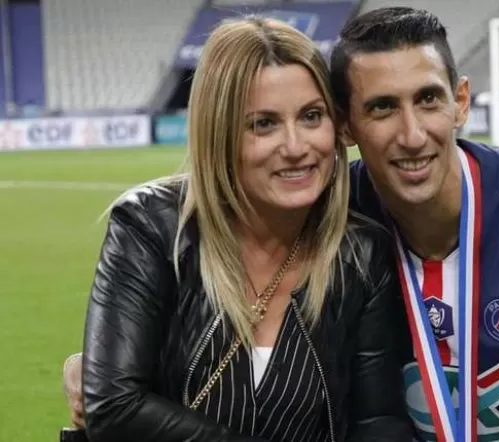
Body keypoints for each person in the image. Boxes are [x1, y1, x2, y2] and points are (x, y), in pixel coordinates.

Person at [64, 6, 499, 441]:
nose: (412, 134)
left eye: (428, 99)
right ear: (348, 126)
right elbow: (128, 379)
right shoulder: (325, 215)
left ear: (460, 101)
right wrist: (102, 368)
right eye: (382, 108)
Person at [64, 16, 411, 442]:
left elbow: (378, 423)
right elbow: (115, 407)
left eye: (311, 116)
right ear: (219, 133)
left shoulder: (360, 254)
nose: (296, 147)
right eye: (263, 123)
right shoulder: (153, 226)